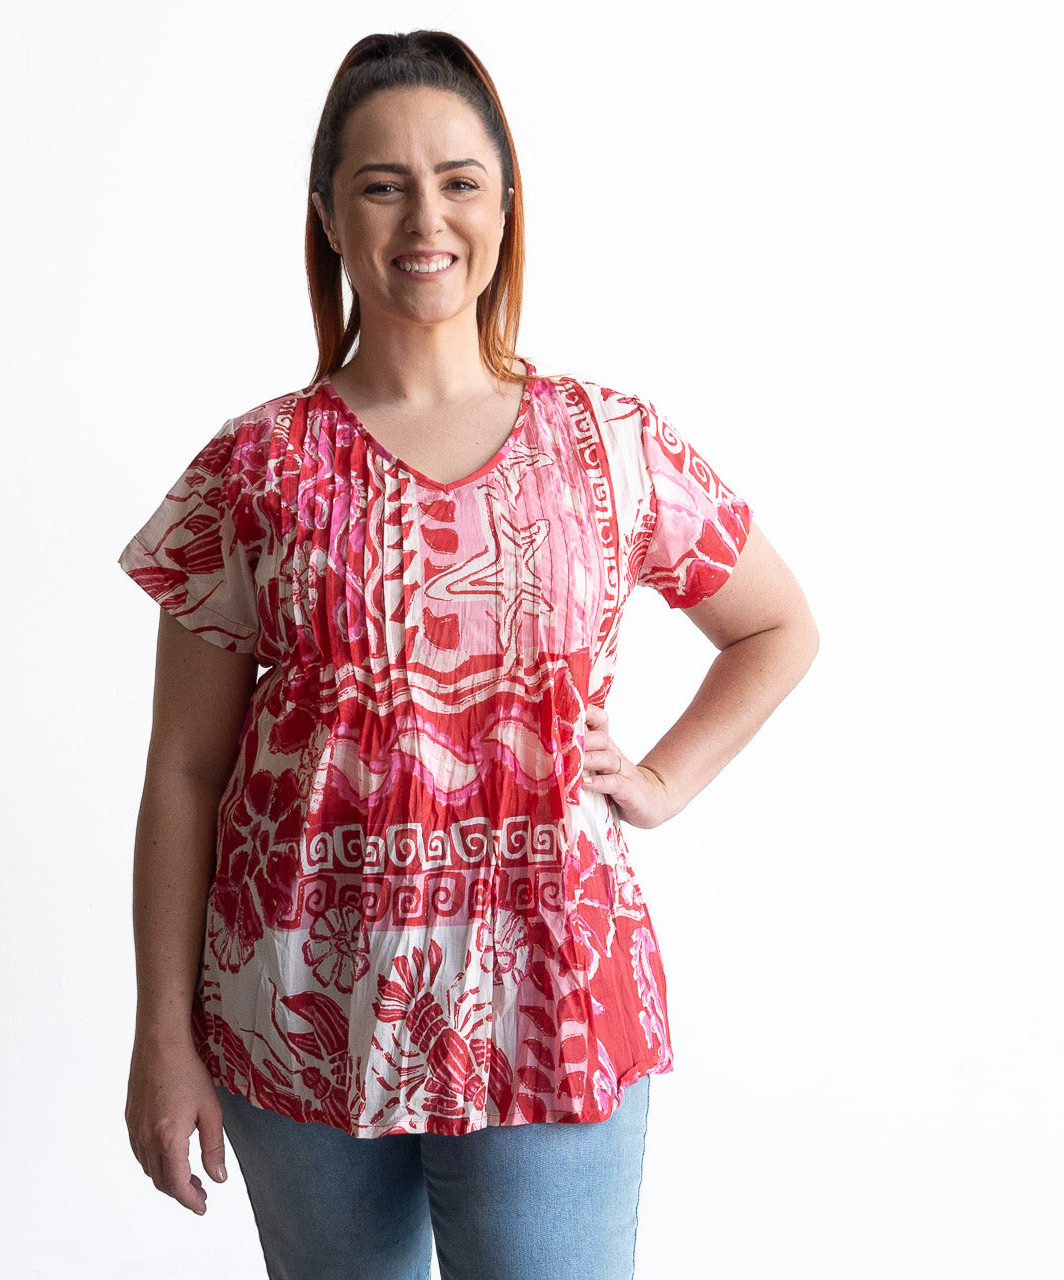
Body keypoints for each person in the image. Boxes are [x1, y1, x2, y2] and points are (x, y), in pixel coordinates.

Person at [119, 29, 818, 1280]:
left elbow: (774, 624)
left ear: (504, 205)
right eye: (381, 184)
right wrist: (160, 1033)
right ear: (330, 214)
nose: (421, 216)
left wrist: (656, 782)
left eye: (457, 179)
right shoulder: (253, 465)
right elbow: (183, 766)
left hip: (553, 996)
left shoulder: (607, 441)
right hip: (297, 1011)